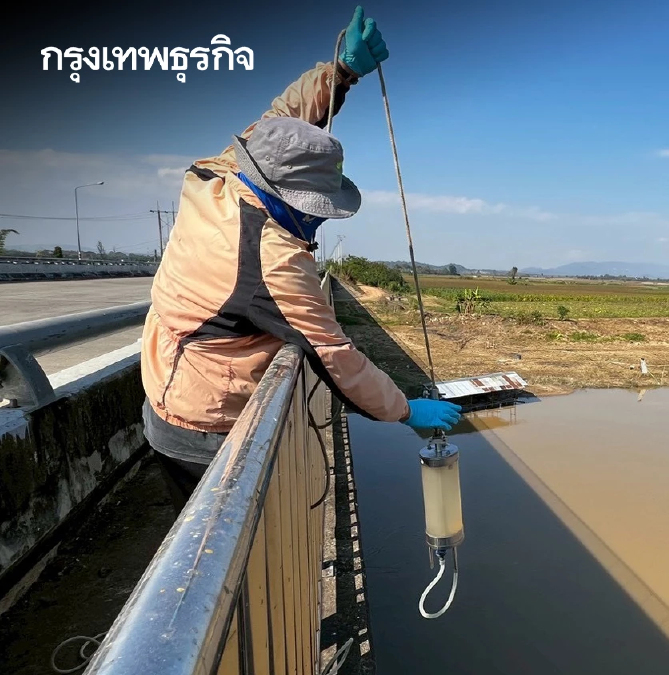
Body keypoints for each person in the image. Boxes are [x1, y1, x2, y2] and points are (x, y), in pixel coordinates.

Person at [141, 6, 460, 510]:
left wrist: (343, 73)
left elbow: (282, 121)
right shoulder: (271, 260)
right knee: (221, 549)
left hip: (167, 378)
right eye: (311, 211)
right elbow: (334, 356)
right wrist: (403, 409)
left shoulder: (218, 175)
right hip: (203, 425)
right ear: (279, 196)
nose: (314, 224)